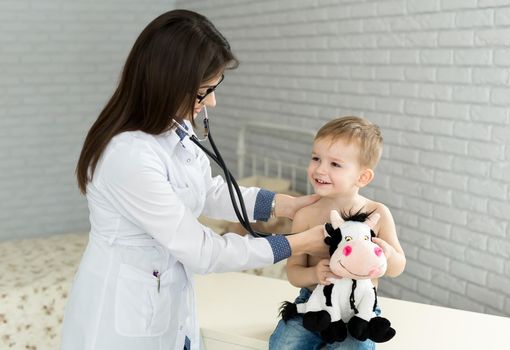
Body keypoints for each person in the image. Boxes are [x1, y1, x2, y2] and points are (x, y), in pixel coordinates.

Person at [60, 9, 328, 350]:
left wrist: (282, 204)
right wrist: (297, 243)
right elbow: (203, 251)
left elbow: (208, 191)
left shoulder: (173, 130)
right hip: (121, 318)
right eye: (204, 91)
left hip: (164, 300)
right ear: (168, 84)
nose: (212, 102)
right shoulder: (128, 156)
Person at [269, 116, 406, 350]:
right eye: (316, 158)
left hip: (359, 310)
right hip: (314, 305)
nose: (320, 169)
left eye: (335, 164)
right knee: (284, 345)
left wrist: (388, 253)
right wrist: (314, 274)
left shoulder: (377, 213)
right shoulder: (306, 216)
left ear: (363, 176)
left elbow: (398, 267)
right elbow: (293, 273)